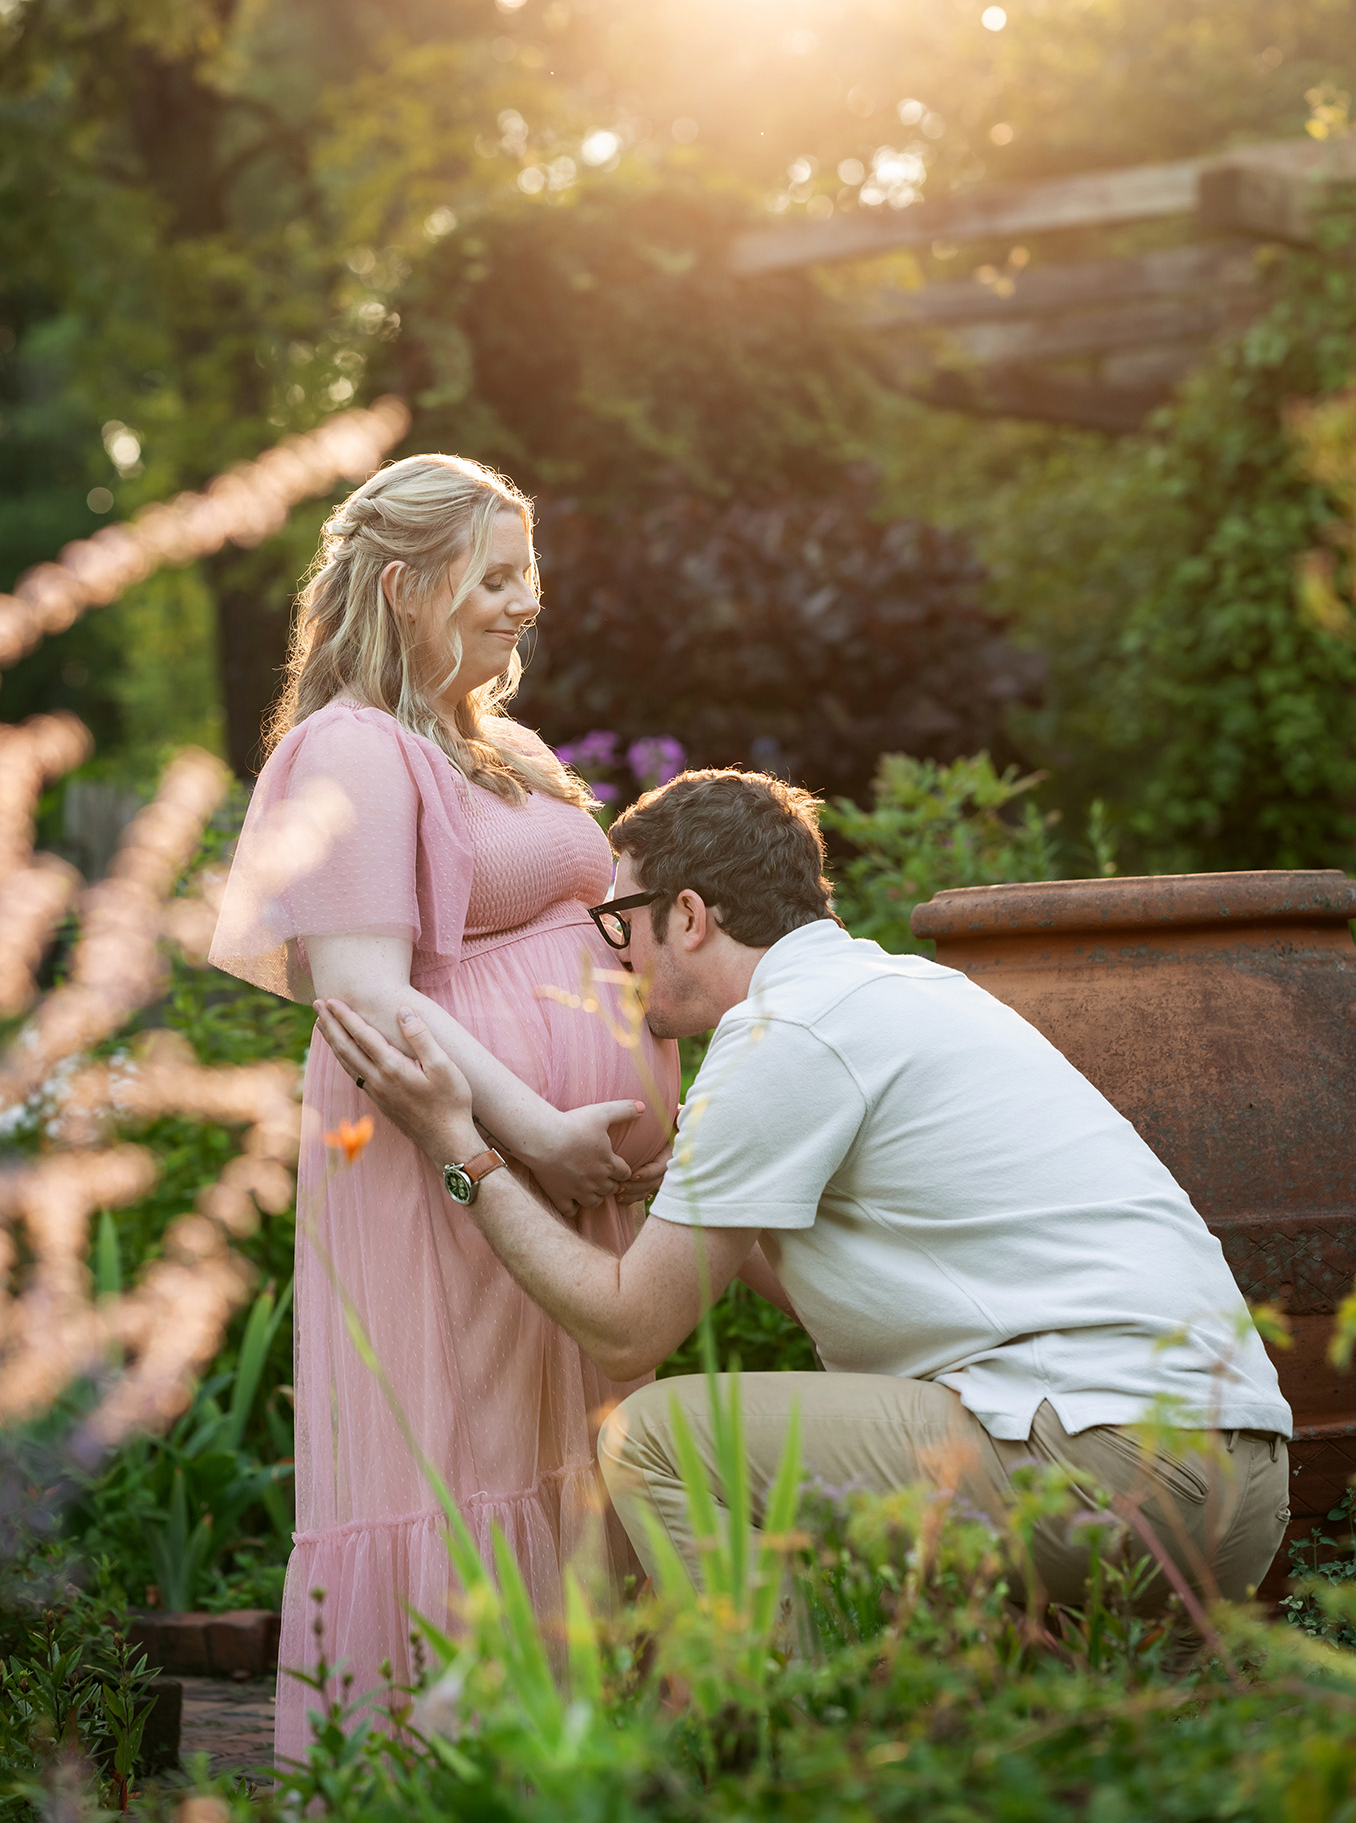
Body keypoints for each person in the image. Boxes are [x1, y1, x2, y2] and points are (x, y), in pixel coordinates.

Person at [313, 767, 1293, 1632]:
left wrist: (459, 1142)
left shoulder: (786, 1035)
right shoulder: (900, 990)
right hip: (1235, 1479)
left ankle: (773, 1741)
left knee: (655, 1437)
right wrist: (708, 1206)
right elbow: (891, 1282)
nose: (617, 955)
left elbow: (625, 1332)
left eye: (623, 920)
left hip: (1111, 1464)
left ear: (688, 914)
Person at [208, 454, 678, 1763]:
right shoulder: (349, 751)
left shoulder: (500, 744)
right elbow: (361, 994)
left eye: (532, 571)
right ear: (408, 586)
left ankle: (570, 1758)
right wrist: (534, 1132)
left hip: (559, 1183)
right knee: (465, 1453)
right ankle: (431, 1770)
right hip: (445, 1161)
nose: (527, 601)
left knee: (558, 1450)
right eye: (496, 573)